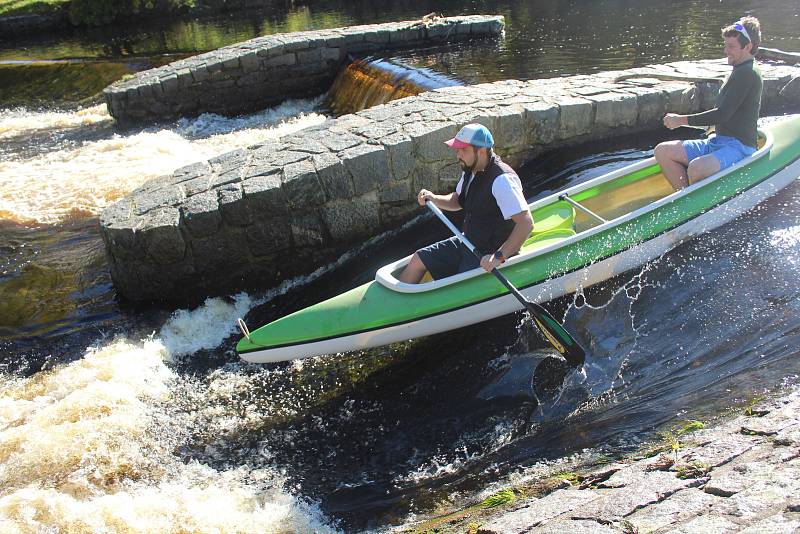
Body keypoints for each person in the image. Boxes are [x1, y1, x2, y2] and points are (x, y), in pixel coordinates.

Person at [398, 123, 533, 283]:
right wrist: (434, 198)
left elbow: (526, 224)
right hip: (469, 242)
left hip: (488, 254)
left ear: (481, 151)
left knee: (454, 283)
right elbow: (458, 200)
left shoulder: (502, 180)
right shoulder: (470, 170)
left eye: (464, 150)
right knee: (418, 260)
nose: (458, 155)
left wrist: (498, 256)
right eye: (457, 149)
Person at [654, 16, 763, 191]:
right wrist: (713, 125)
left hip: (740, 147)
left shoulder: (747, 73)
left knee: (697, 168)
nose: (726, 50)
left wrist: (680, 120)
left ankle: (693, 207)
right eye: (726, 45)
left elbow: (722, 113)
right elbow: (730, 112)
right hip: (719, 141)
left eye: (731, 46)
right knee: (663, 151)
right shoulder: (739, 70)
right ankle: (685, 199)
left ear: (748, 47)